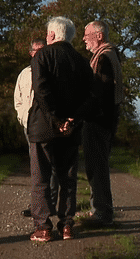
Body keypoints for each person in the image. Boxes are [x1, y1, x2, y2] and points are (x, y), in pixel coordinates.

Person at [27, 16, 93, 242]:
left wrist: (55, 119)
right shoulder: (83, 62)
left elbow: (41, 91)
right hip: (71, 129)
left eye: (47, 34)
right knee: (68, 178)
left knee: (41, 178)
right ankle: (66, 226)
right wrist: (71, 120)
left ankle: (43, 227)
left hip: (43, 127)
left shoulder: (41, 56)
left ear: (52, 35)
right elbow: (90, 97)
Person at [81, 20, 123, 227]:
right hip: (106, 119)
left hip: (99, 121)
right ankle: (98, 209)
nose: (83, 39)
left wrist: (81, 113)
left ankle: (102, 213)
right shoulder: (110, 54)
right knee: (98, 165)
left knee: (97, 166)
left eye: (86, 34)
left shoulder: (104, 57)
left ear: (99, 35)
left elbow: (99, 93)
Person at [13, 38, 59, 217]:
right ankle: (38, 205)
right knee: (36, 167)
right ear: (31, 53)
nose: (39, 54)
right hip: (29, 125)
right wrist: (23, 118)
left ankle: (51, 204)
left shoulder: (52, 72)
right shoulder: (24, 74)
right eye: (36, 51)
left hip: (48, 124)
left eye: (43, 51)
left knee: (52, 166)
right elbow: (18, 99)